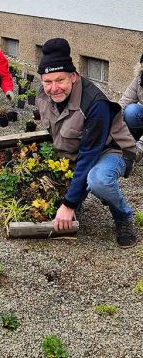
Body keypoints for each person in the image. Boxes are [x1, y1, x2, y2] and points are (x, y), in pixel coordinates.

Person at [35, 38, 138, 248]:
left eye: (60, 80)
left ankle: (123, 217)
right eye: (48, 82)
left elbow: (89, 155)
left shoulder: (94, 103)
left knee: (98, 180)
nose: (53, 88)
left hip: (112, 150)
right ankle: (83, 194)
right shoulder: (42, 95)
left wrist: (69, 203)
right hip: (76, 151)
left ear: (73, 77)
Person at [118, 53, 143, 140]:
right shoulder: (139, 79)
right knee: (131, 111)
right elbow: (126, 100)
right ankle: (135, 135)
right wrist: (112, 118)